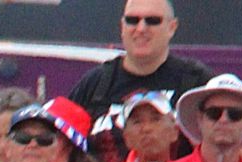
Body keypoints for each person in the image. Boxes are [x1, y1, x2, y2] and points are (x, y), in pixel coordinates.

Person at [68, 0, 211, 124]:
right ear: (122, 27)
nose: (141, 28)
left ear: (172, 27)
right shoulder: (95, 84)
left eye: (153, 20)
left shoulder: (196, 82)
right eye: (132, 20)